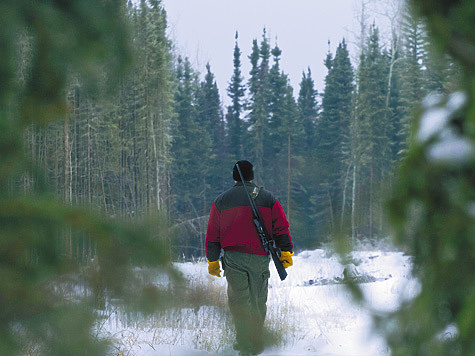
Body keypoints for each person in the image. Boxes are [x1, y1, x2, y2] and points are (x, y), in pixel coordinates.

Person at [205, 160, 294, 355]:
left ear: (234, 177)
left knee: (239, 300)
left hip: (233, 258)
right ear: (252, 175)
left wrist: (212, 260)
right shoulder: (267, 198)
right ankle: (256, 341)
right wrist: (285, 250)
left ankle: (244, 342)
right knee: (257, 299)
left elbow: (213, 233)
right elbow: (281, 226)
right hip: (259, 256)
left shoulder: (221, 201)